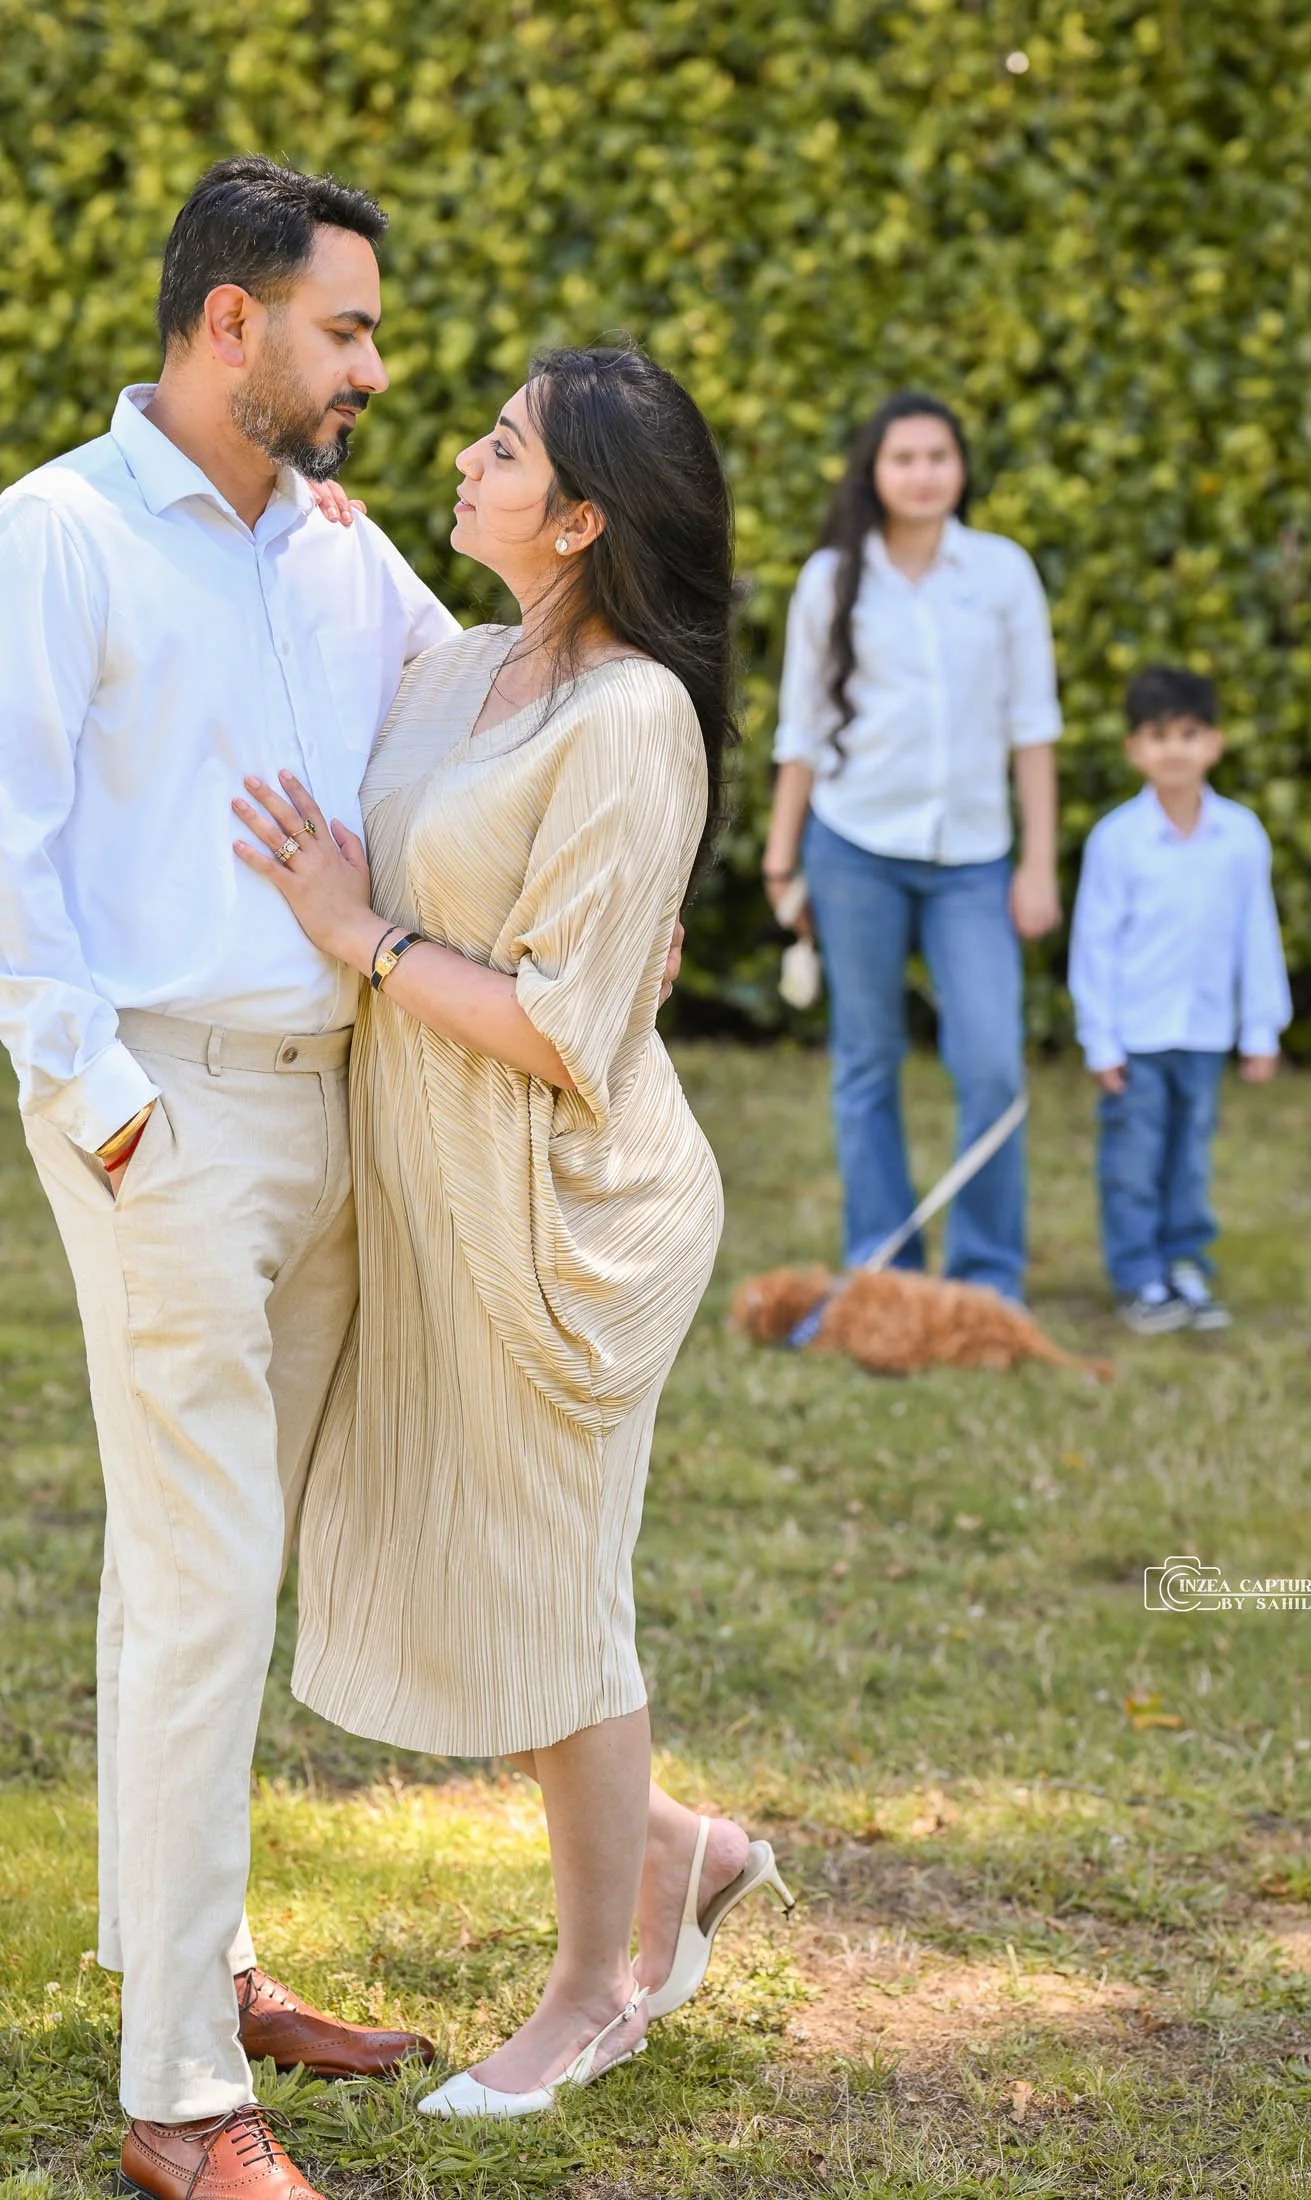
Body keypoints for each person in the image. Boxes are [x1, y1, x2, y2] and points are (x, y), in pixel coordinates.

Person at [0, 158, 682, 2199]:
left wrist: (619, 899)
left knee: (195, 1567)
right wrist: (109, 1111)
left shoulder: (331, 545)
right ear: (235, 327)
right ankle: (183, 2096)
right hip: (170, 1113)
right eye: (348, 329)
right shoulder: (54, 536)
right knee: (208, 1577)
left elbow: (486, 713)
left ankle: (193, 1959)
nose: (376, 369)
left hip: (345, 1112)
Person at [232, 346, 792, 2123]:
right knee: (484, 1569)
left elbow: (567, 1023)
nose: (461, 458)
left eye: (502, 447)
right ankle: (677, 1846)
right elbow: (360, 578)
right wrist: (308, 526)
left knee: (556, 1599)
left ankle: (595, 1989)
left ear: (578, 518)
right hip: (439, 1189)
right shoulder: (466, 660)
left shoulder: (631, 719)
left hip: (570, 1218)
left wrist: (360, 935)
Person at [762, 392, 1062, 1303]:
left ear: (960, 468)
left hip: (974, 860)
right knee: (865, 1060)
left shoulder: (1003, 574)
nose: (924, 472)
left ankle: (985, 1277)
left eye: (939, 455)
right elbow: (799, 734)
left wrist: (1039, 864)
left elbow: (1033, 728)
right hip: (853, 850)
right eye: (904, 458)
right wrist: (782, 862)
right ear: (874, 472)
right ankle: (884, 1269)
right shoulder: (830, 579)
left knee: (992, 1063)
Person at [1067, 665, 1293, 1334]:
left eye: (1189, 734)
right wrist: (1099, 1038)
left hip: (1202, 1034)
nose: (1174, 749)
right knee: (1132, 1160)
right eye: (1157, 735)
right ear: (1133, 748)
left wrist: (1259, 1029)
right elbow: (1094, 946)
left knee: (1188, 1156)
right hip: (1136, 1036)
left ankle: (1184, 1262)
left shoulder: (1241, 837)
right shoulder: (1117, 840)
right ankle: (1139, 1275)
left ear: (1214, 743)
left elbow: (1257, 935)